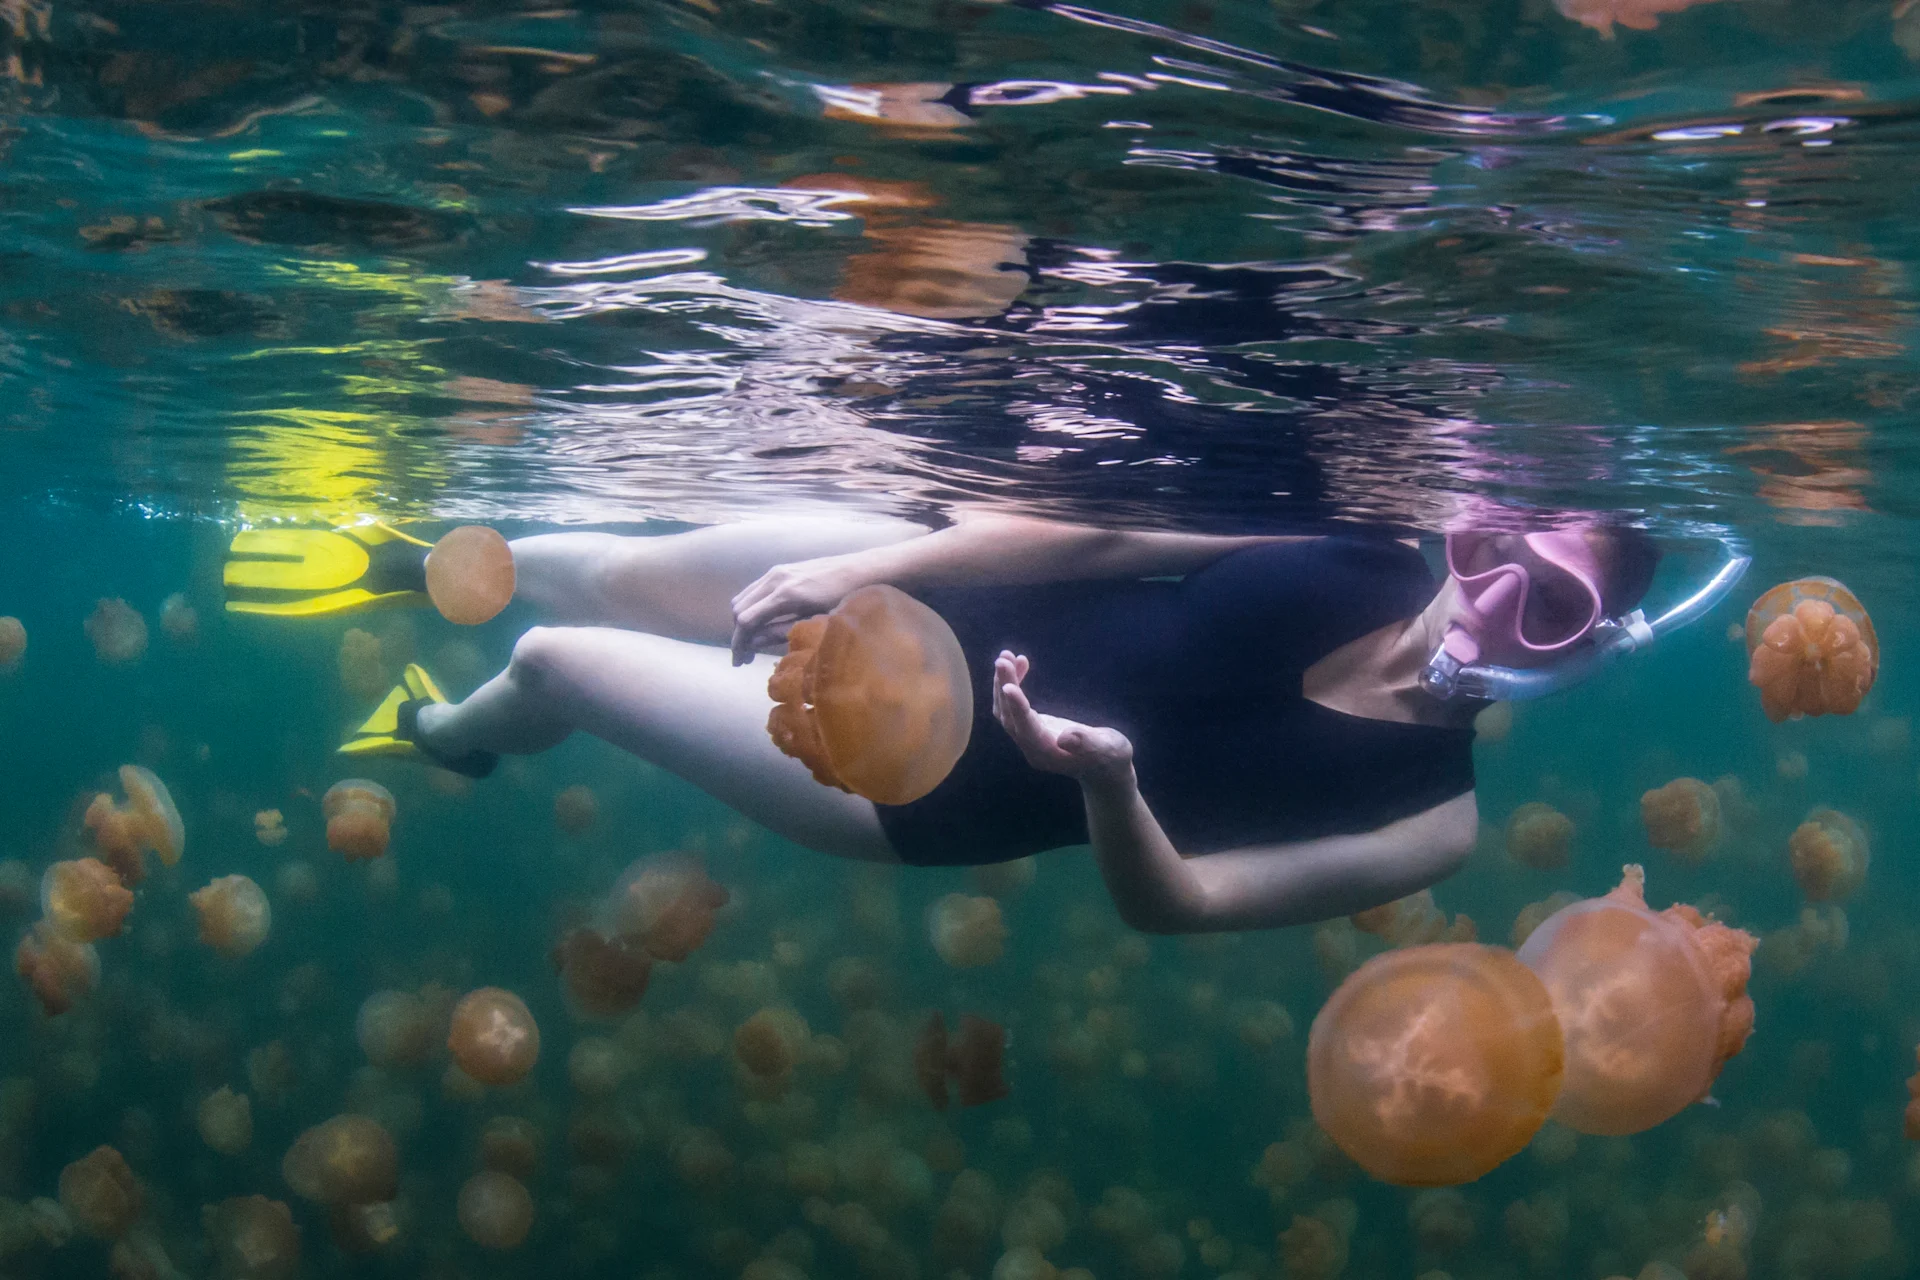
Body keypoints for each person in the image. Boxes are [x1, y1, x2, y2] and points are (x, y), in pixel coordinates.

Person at [226, 514, 1695, 933]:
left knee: (554, 658)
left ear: (1595, 651)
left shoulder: (1432, 819)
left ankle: (455, 736)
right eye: (1495, 545)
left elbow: (1179, 907)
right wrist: (875, 563)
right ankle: (420, 557)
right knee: (603, 563)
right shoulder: (1366, 544)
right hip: (940, 582)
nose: (1487, 597)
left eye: (1547, 604)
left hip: (915, 787)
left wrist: (1107, 786)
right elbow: (1105, 541)